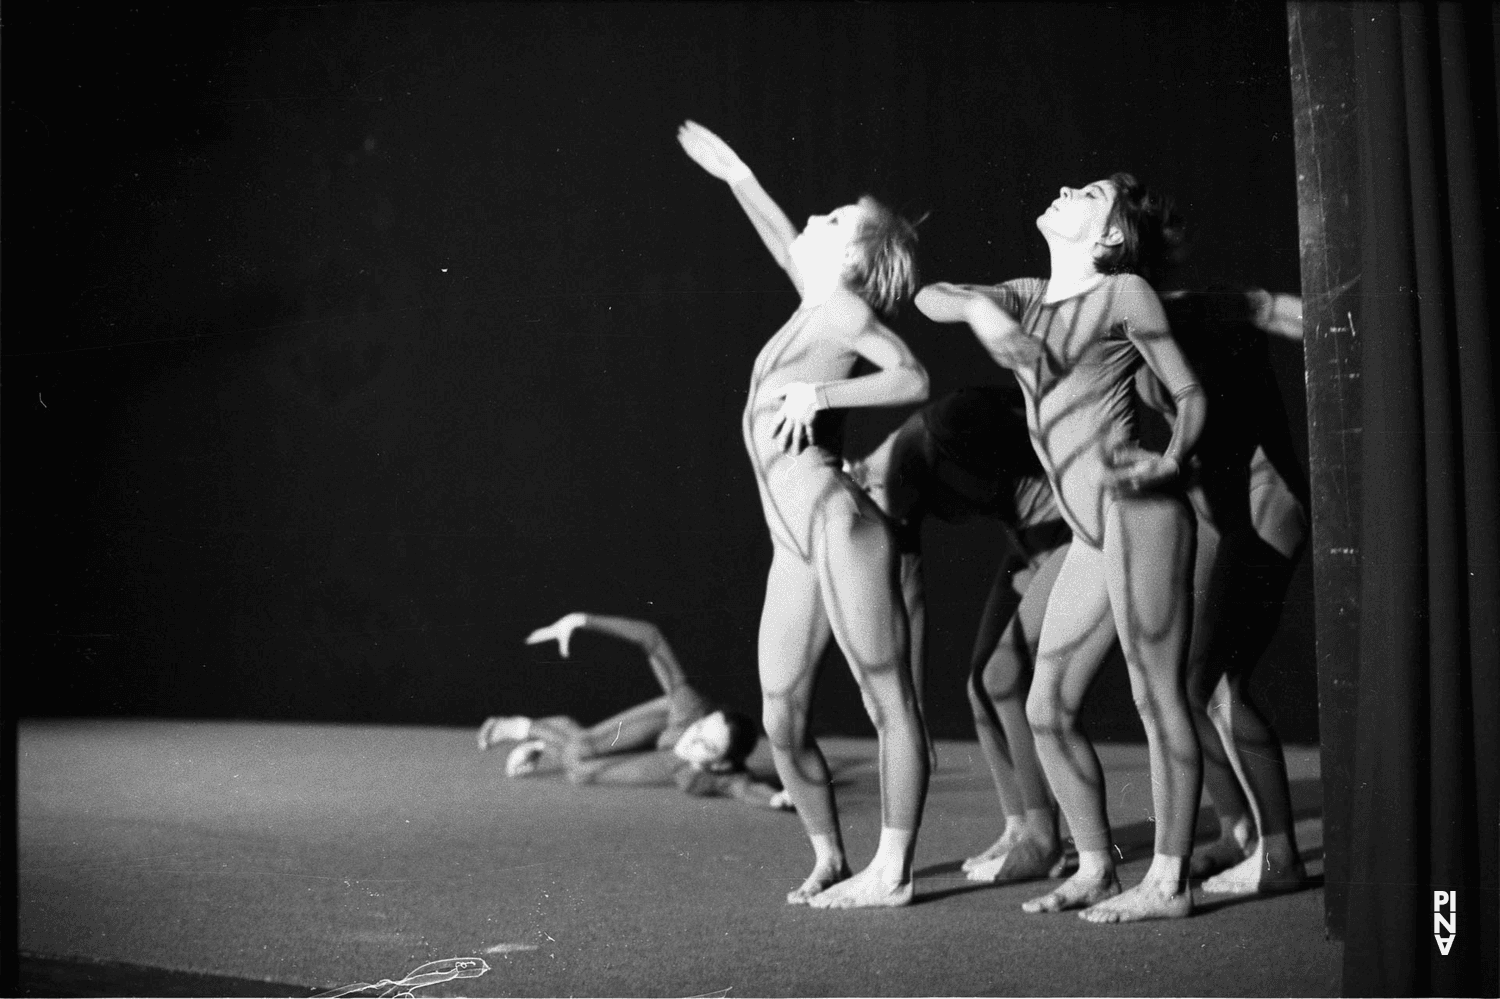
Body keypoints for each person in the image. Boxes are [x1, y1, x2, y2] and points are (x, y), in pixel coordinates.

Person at [916, 174, 1207, 923]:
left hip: (1136, 511)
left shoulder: (1124, 293)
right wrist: (978, 308)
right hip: (1086, 534)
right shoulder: (1025, 295)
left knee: (1155, 696)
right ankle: (1097, 867)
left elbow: (1189, 393)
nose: (1068, 187)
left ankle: (1168, 881)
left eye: (1090, 193)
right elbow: (929, 295)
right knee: (1045, 706)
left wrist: (1171, 459)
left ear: (1109, 236)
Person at [677, 120, 930, 908]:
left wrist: (822, 392)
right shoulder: (815, 300)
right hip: (790, 542)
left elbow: (913, 377)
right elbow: (783, 237)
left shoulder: (845, 312)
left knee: (886, 699)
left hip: (833, 519)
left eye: (836, 219)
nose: (816, 219)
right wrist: (737, 175)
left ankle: (893, 869)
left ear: (853, 258)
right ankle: (830, 856)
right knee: (780, 716)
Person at [845, 386, 1072, 883]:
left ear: (861, 479)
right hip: (1028, 542)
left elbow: (1044, 411)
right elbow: (910, 605)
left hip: (1073, 531)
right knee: (980, 689)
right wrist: (915, 718)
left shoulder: (951, 421)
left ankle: (1045, 839)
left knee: (1002, 678)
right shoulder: (892, 505)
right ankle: (1020, 825)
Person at [1142, 287, 1311, 895]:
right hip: (1219, 509)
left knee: (1221, 683)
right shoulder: (1128, 323)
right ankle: (1238, 832)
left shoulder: (1196, 308)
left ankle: (1281, 857)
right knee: (1186, 684)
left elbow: (1296, 317)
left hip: (1265, 500)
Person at [477, 612, 789, 810]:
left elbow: (748, 789)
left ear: (721, 764)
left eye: (706, 746)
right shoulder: (688, 709)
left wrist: (777, 799)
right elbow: (651, 638)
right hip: (666, 720)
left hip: (668, 759)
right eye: (699, 730)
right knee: (581, 748)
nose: (691, 740)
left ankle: (542, 742)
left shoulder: (721, 778)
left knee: (582, 772)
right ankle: (521, 727)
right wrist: (580, 621)